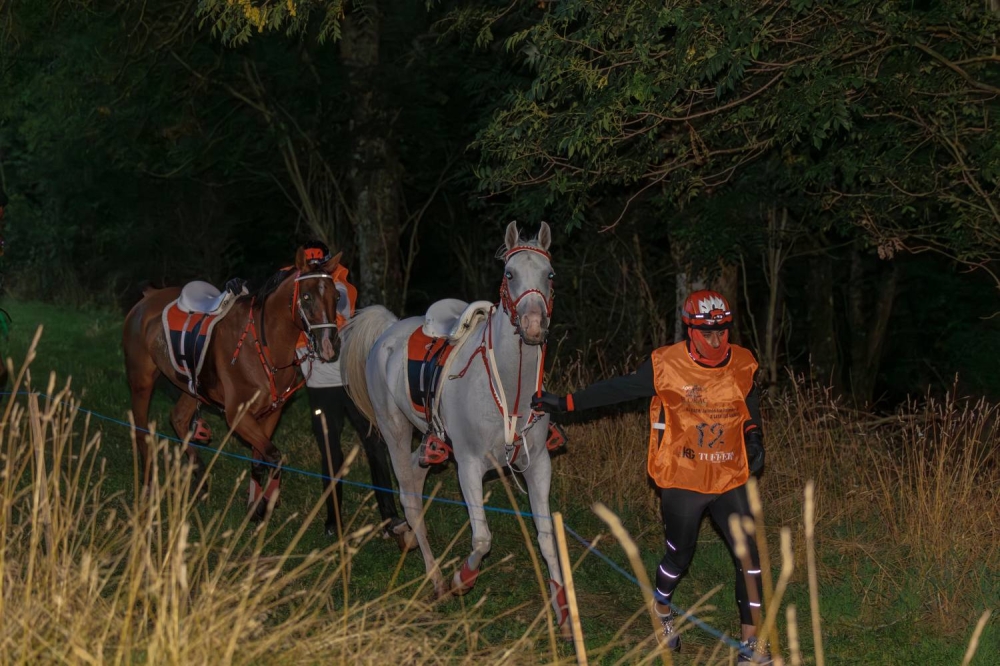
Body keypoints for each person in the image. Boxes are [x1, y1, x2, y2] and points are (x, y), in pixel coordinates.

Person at [532, 290, 771, 665]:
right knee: (679, 556)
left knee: (750, 558)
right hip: (683, 477)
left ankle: (751, 645)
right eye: (707, 332)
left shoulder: (742, 361)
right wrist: (565, 402)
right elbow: (618, 389)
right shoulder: (666, 365)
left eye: (722, 331)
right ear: (689, 330)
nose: (715, 340)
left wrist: (754, 435)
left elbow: (748, 400)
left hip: (729, 474)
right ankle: (661, 608)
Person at [296, 240, 413, 552]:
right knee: (330, 453)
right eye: (309, 263)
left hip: (352, 381)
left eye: (319, 262)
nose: (315, 267)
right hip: (320, 387)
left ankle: (389, 517)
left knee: (376, 444)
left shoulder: (341, 287)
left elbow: (338, 306)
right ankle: (333, 521)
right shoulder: (295, 288)